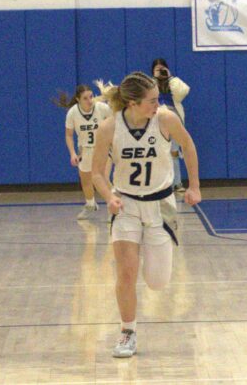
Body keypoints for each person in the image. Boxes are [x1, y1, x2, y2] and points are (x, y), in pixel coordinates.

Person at [89, 72, 202, 358]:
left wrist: (194, 185)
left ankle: (157, 269)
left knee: (157, 281)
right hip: (126, 204)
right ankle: (127, 331)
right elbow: (97, 173)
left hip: (160, 205)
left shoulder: (166, 120)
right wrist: (109, 197)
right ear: (132, 102)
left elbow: (188, 146)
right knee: (126, 272)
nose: (157, 104)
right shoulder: (109, 128)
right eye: (151, 100)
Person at [58, 84, 113, 219]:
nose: (90, 100)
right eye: (85, 98)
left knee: (104, 178)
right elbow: (69, 135)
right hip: (85, 150)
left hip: (103, 148)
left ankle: (113, 208)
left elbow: (115, 122)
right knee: (86, 181)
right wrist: (72, 153)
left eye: (91, 96)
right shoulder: (73, 113)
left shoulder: (102, 108)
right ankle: (90, 205)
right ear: (78, 99)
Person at [151, 58, 191, 192]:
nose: (160, 71)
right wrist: (155, 79)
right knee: (158, 152)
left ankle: (177, 183)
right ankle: (160, 184)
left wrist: (170, 77)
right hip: (156, 121)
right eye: (157, 69)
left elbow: (182, 92)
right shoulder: (149, 83)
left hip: (174, 121)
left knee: (174, 152)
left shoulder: (173, 82)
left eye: (163, 68)